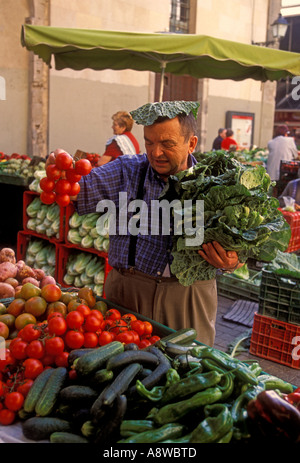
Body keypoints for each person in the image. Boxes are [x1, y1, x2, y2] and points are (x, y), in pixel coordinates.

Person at [46, 101, 241, 346]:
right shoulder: (127, 170)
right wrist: (60, 170)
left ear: (191, 143)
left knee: (189, 373)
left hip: (189, 298)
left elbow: (242, 244)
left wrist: (232, 261)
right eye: (149, 142)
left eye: (167, 144)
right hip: (127, 294)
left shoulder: (217, 185)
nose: (155, 152)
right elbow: (77, 189)